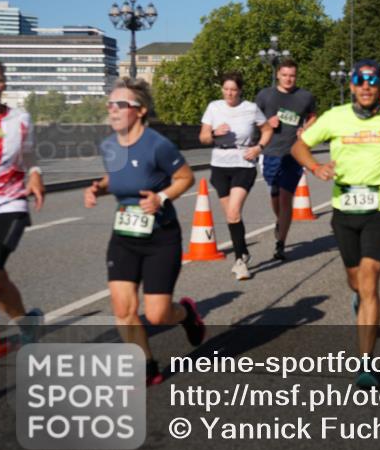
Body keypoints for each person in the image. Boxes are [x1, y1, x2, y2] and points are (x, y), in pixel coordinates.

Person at [292, 60, 380, 389]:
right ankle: (360, 297)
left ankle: (366, 364)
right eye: (359, 80)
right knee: (355, 281)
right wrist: (315, 167)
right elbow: (299, 146)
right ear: (352, 86)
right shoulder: (334, 117)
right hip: (344, 211)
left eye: (372, 81)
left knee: (369, 282)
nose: (366, 86)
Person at [85, 78, 205, 386]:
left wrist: (161, 198)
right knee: (123, 308)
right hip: (124, 236)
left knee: (157, 315)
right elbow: (117, 178)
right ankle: (147, 366)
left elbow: (185, 178)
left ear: (140, 110)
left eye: (120, 105)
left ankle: (187, 314)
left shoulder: (158, 145)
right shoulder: (109, 146)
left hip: (160, 237)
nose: (112, 110)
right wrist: (98, 187)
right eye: (110, 104)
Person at [0, 58, 45, 400]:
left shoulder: (20, 119)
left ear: (5, 83)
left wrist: (35, 175)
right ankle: (26, 323)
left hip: (9, 204)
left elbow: (29, 156)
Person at [200, 72, 272, 279]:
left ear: (240, 91)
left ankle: (239, 261)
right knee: (231, 217)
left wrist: (258, 148)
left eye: (233, 90)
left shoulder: (251, 108)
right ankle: (244, 251)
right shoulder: (214, 107)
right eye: (226, 89)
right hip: (219, 165)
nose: (229, 93)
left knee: (233, 211)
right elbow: (203, 137)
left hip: (243, 163)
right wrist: (213, 133)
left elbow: (267, 130)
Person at [255, 59, 317, 261]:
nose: (288, 79)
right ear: (278, 75)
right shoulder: (265, 95)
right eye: (285, 75)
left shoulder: (305, 96)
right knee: (275, 197)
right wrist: (267, 123)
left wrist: (305, 128)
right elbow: (253, 119)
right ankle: (280, 222)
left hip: (294, 154)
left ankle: (280, 243)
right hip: (270, 153)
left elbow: (313, 116)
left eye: (292, 75)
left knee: (285, 197)